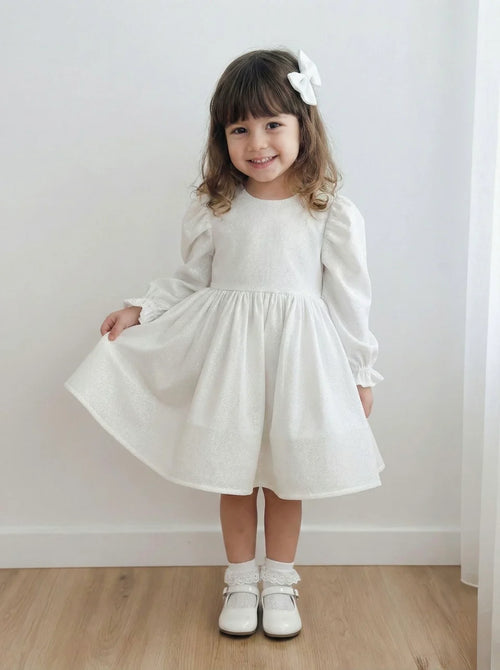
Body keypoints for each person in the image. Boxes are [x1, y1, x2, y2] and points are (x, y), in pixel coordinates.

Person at [64, 48, 385, 639]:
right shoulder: (217, 207)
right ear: (223, 137)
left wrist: (359, 371)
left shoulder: (328, 212)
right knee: (233, 476)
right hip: (230, 363)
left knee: (286, 478)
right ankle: (240, 579)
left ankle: (279, 581)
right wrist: (143, 309)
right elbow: (192, 281)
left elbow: (349, 300)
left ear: (304, 126)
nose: (257, 143)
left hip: (297, 364)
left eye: (272, 124)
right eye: (240, 129)